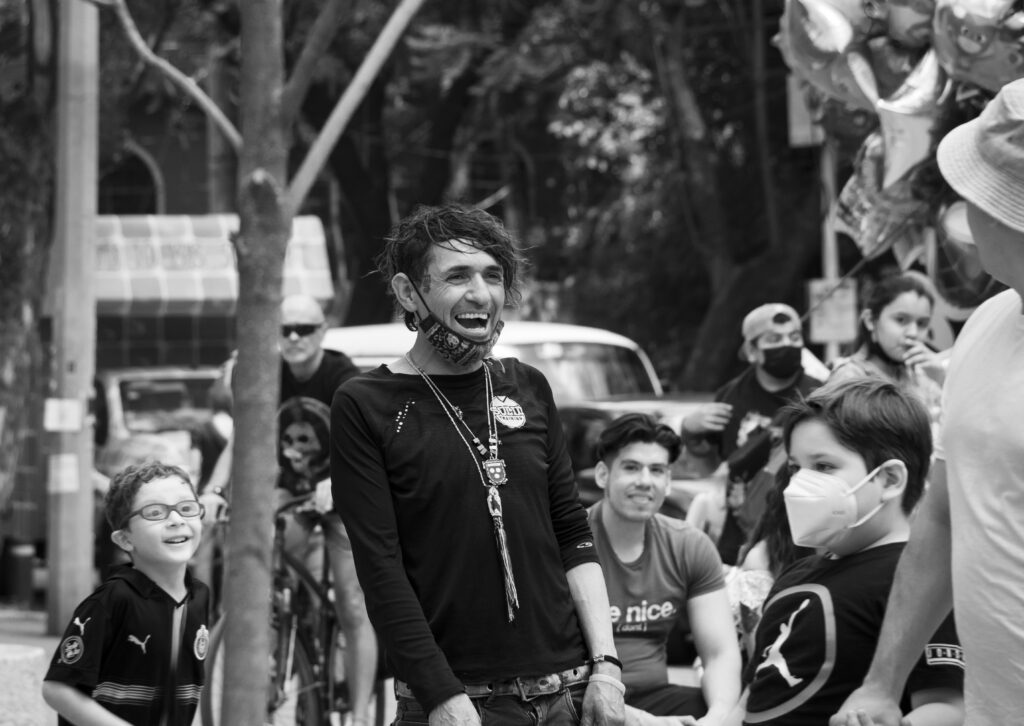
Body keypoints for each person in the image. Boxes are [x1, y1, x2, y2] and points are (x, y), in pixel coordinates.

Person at [331, 203, 625, 726]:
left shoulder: (527, 385)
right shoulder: (364, 404)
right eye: (457, 276)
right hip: (457, 702)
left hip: (571, 691)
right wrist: (441, 696)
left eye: (492, 275)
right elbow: (380, 570)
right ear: (408, 293)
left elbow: (572, 533)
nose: (481, 294)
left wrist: (607, 668)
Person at [832, 77, 1024, 726]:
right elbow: (942, 516)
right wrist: (882, 684)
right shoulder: (985, 326)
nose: (962, 214)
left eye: (976, 193)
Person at [724, 379, 963, 726]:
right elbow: (753, 696)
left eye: (823, 466)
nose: (797, 485)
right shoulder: (794, 574)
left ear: (890, 479)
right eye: (795, 468)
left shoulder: (919, 579)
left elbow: (948, 706)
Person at [200, 293, 378, 725]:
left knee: (352, 603)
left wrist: (336, 480)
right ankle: (285, 649)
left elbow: (364, 443)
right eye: (285, 330)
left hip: (341, 496)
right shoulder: (270, 373)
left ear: (323, 331)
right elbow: (241, 438)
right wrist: (214, 491)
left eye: (305, 329)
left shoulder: (342, 376)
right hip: (292, 495)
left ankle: (359, 715)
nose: (295, 338)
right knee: (269, 570)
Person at [588, 413, 741, 726]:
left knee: (751, 712)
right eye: (631, 467)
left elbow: (719, 653)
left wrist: (718, 717)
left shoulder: (688, 545)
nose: (645, 481)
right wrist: (642, 721)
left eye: (656, 470)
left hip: (656, 697)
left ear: (668, 480)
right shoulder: (567, 542)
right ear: (603, 475)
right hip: (582, 698)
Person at [42, 461, 211, 726]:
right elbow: (57, 689)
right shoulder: (112, 600)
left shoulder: (200, 596)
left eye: (187, 508)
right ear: (125, 539)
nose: (177, 520)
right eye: (155, 513)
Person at [681, 303, 821, 565]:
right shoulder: (730, 397)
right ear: (751, 351)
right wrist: (690, 431)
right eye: (774, 339)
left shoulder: (820, 395)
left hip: (803, 539)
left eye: (794, 337)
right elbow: (707, 468)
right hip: (740, 537)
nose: (787, 345)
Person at [828, 273, 944, 430]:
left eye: (922, 323)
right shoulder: (849, 377)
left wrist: (943, 380)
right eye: (901, 320)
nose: (913, 333)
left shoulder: (924, 378)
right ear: (870, 320)